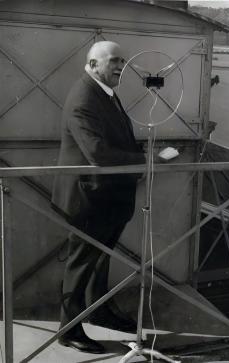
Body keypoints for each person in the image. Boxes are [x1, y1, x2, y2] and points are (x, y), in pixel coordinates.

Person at [52, 40, 145, 354]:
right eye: (114, 61)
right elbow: (96, 152)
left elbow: (116, 138)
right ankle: (68, 330)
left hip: (105, 197)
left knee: (99, 258)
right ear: (92, 65)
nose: (121, 67)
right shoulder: (84, 98)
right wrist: (142, 162)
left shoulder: (104, 92)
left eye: (123, 61)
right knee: (81, 263)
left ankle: (98, 308)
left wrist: (143, 154)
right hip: (87, 198)